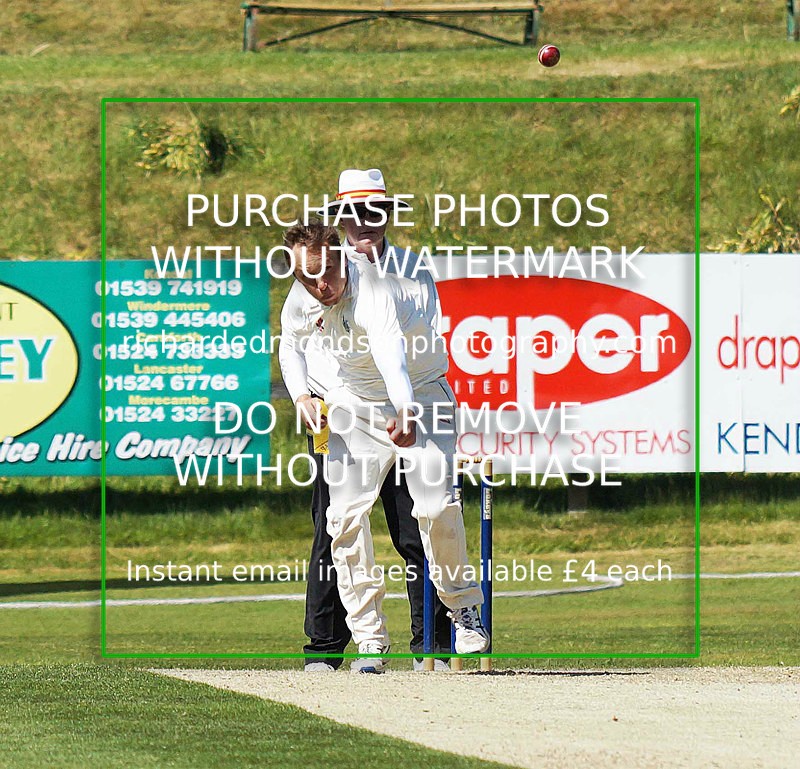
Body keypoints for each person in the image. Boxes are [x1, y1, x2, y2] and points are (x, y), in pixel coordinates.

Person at [280, 220, 489, 673]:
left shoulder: (373, 289)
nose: (321, 285)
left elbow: (390, 351)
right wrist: (300, 397)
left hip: (419, 394)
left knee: (434, 509)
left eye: (327, 271)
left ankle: (464, 608)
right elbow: (291, 346)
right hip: (354, 405)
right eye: (307, 277)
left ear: (340, 256)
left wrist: (406, 409)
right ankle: (370, 638)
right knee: (342, 520)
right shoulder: (302, 297)